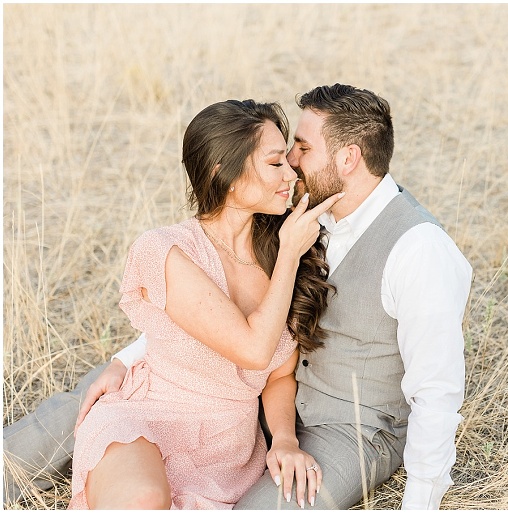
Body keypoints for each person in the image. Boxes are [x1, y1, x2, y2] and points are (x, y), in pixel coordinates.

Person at [3, 84, 472, 510]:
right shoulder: (299, 221)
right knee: (91, 395)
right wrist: (126, 358)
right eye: (283, 154)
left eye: (302, 149)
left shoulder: (418, 249)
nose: (290, 161)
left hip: (343, 427)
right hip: (250, 401)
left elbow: (437, 393)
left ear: (348, 159)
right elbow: (203, 309)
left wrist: (421, 501)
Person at [65, 99, 342, 509]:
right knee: (143, 499)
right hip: (148, 421)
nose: (291, 173)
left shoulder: (281, 247)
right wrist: (288, 256)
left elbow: (279, 373)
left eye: (288, 160)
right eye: (275, 163)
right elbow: (253, 350)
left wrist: (283, 439)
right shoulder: (166, 250)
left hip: (228, 456)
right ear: (224, 174)